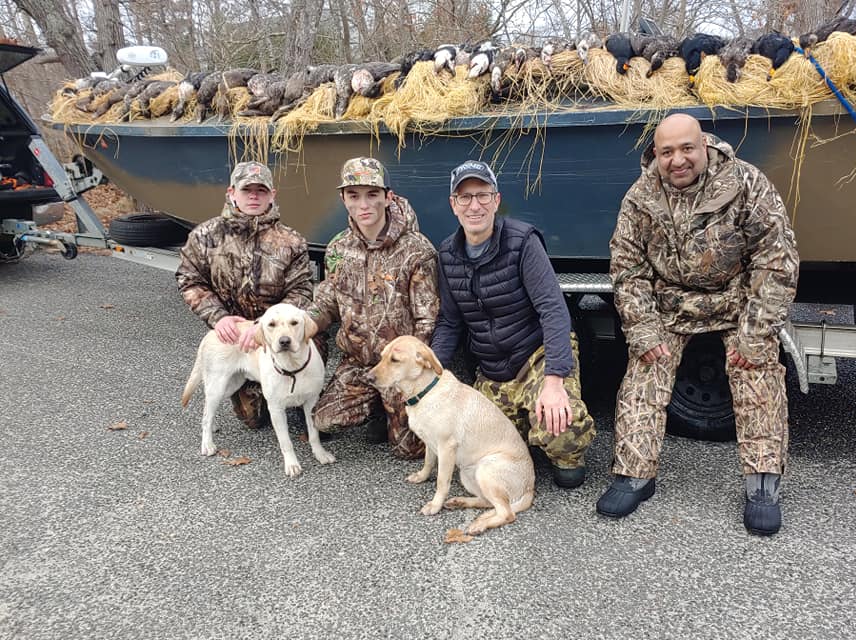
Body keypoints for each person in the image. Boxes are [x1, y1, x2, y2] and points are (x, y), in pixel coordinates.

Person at [601, 112, 799, 535]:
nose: (678, 160)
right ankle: (635, 476)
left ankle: (762, 484)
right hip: (671, 305)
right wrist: (644, 331)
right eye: (667, 151)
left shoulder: (746, 183)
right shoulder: (640, 198)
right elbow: (627, 269)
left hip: (736, 301)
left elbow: (776, 260)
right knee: (643, 374)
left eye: (687, 148)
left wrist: (755, 332)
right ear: (655, 154)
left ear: (704, 146)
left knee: (756, 372)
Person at [431, 160, 596, 488]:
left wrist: (553, 383)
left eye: (482, 195)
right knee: (467, 450)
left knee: (562, 430)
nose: (474, 205)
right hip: (492, 372)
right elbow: (450, 322)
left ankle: (565, 455)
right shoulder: (446, 255)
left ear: (496, 200)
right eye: (464, 198)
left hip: (535, 358)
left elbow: (553, 310)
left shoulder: (523, 242)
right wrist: (431, 375)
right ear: (453, 205)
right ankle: (521, 429)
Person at [309, 157, 439, 459]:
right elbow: (327, 301)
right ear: (343, 199)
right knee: (324, 420)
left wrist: (412, 372)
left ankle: (390, 407)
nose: (363, 204)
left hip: (400, 368)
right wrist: (301, 325)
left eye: (372, 194)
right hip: (359, 362)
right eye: (354, 196)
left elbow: (427, 320)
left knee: (410, 451)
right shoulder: (338, 248)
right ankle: (377, 408)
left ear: (388, 197)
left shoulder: (417, 250)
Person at [176, 160, 314, 429]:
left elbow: (302, 290)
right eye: (246, 189)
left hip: (276, 331)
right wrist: (219, 318)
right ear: (231, 193)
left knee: (311, 341)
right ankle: (258, 389)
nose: (253, 196)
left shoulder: (292, 240)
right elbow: (188, 279)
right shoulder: (205, 235)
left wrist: (264, 325)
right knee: (253, 421)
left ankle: (300, 397)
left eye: (261, 190)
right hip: (235, 339)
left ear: (272, 195)